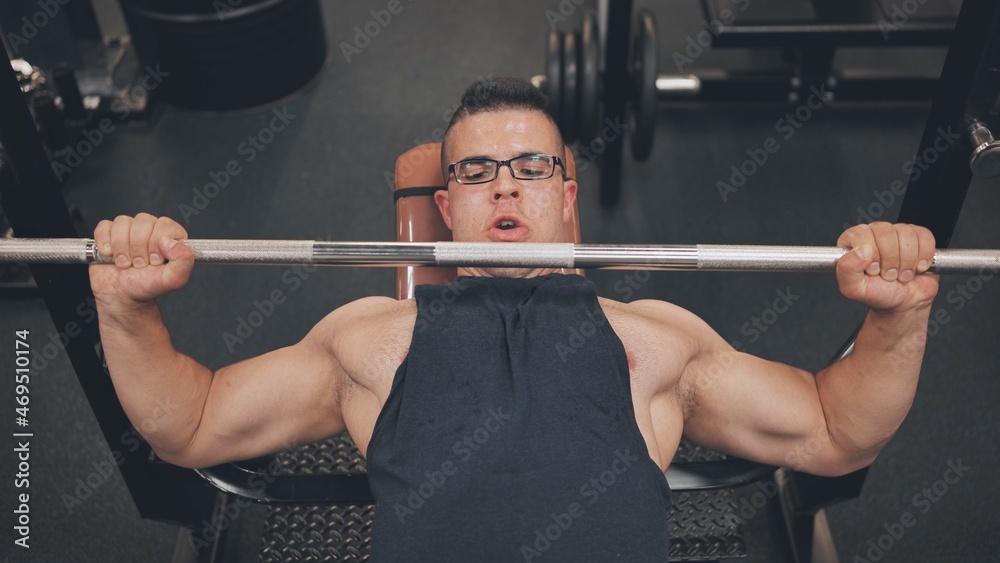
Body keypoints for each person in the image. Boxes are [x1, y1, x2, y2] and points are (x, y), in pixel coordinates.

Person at [90, 77, 938, 561]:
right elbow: (192, 426)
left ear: (565, 199)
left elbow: (834, 430)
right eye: (478, 170)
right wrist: (127, 309)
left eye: (531, 166)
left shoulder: (654, 340)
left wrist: (899, 318)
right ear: (447, 201)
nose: (504, 185)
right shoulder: (370, 340)